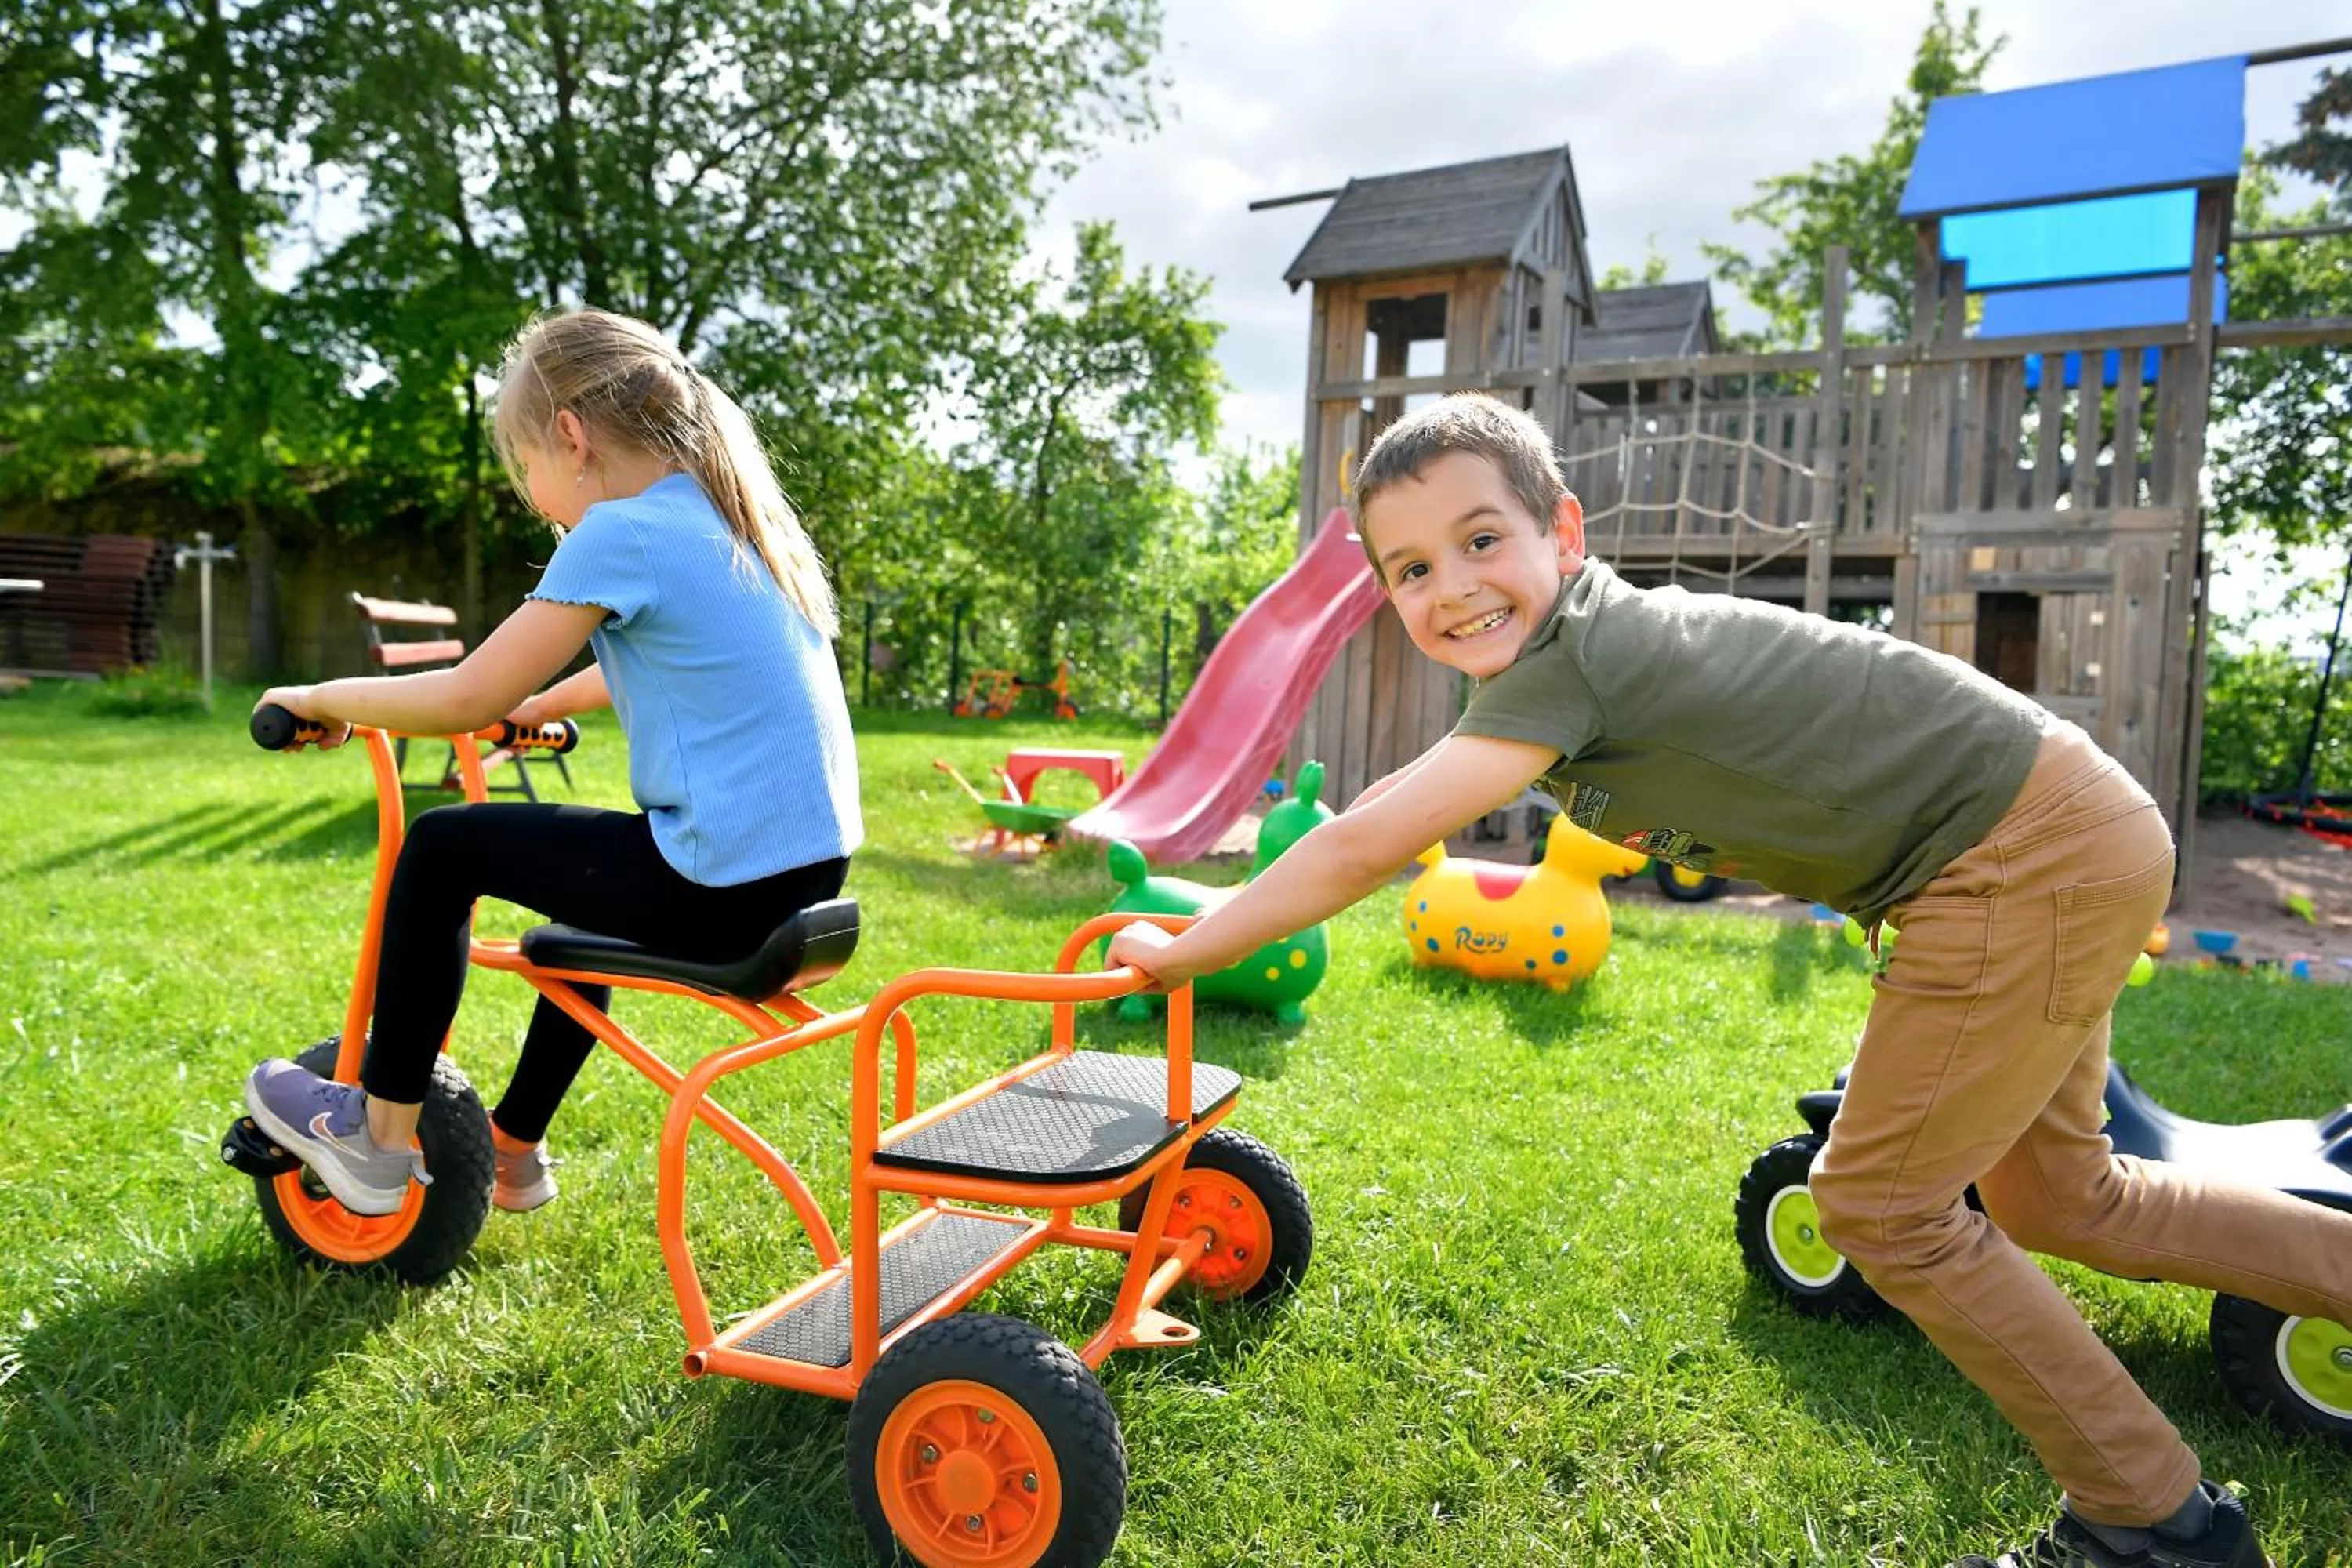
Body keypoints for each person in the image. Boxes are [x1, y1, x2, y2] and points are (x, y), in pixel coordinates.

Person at [1109, 394, 2350, 1568]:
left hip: (2015, 856)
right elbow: (1392, 799)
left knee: (1879, 1209)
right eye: (1413, 569)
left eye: (1481, 540)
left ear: (1564, 533)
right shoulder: (1569, 659)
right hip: (2061, 833)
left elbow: (1366, 843)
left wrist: (1191, 943)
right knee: (2064, 1200)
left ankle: (2154, 1524)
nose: (1455, 585)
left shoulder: (1582, 656)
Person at [242, 307, 861, 1220]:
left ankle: (375, 1138)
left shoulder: (626, 531)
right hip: (802, 882)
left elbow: (464, 696)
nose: (536, 500)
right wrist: (535, 707)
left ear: (571, 436)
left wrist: (321, 697)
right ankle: (511, 1145)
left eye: (527, 465)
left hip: (720, 886)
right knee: (582, 901)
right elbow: (667, 664)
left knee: (443, 846)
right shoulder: (730, 521)